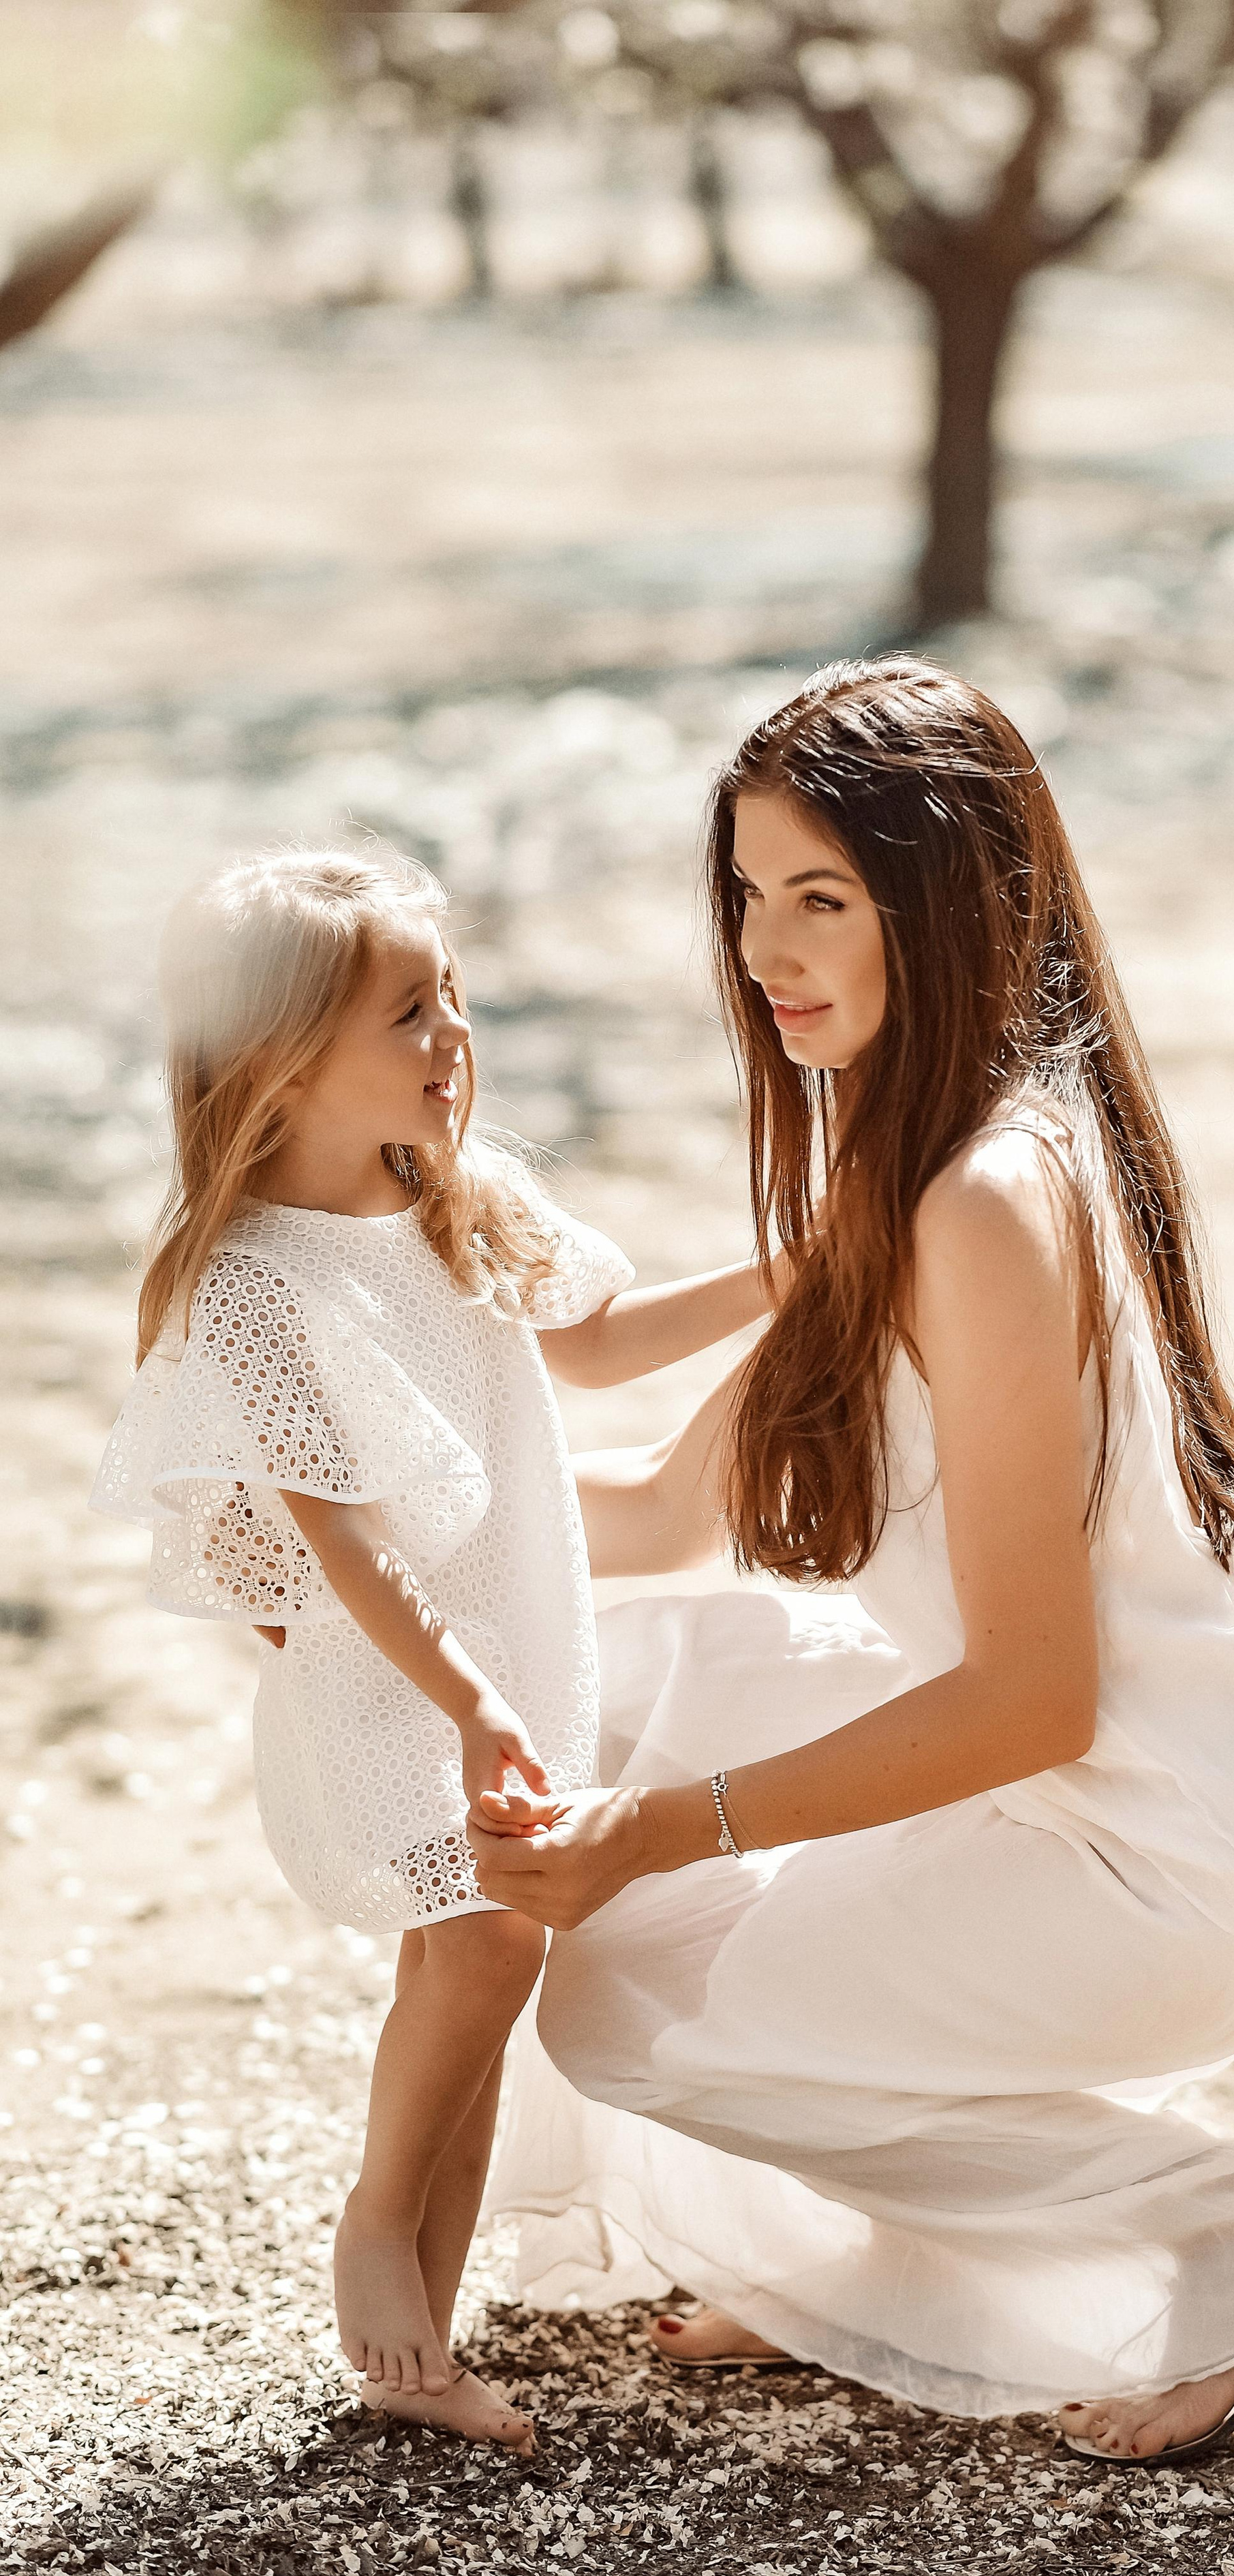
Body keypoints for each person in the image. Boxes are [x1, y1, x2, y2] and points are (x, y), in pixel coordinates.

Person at [474, 657, 1234, 2466]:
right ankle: (890, 2267)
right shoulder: (920, 1152)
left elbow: (1028, 1699)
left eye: (823, 899)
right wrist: (371, 1524)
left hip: (1204, 1829)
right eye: (748, 894)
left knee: (633, 2008)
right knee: (629, 1701)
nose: (765, 949)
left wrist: (665, 1832)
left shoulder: (986, 1198)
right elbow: (665, 1508)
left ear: (949, 906)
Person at [92, 848, 775, 2455]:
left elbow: (591, 1343)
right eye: (409, 1011)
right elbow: (346, 1547)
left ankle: (422, 2345)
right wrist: (469, 1706)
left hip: (518, 1648)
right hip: (393, 1676)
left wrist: (792, 1270)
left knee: (479, 1971)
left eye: (451, 995)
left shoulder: (451, 1194)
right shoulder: (254, 1284)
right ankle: (375, 2219)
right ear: (280, 1060)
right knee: (484, 1948)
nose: (453, 1033)